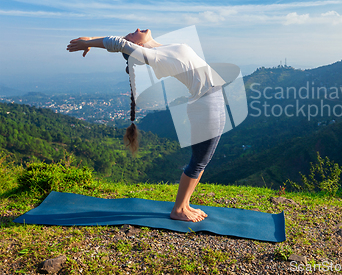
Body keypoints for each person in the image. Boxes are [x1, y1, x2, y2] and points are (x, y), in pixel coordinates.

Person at [66, 29, 226, 222]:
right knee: (199, 161)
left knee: (202, 160)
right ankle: (178, 209)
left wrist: (93, 41)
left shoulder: (161, 48)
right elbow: (120, 44)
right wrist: (89, 41)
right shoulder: (154, 56)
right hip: (206, 103)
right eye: (131, 35)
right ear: (137, 47)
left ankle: (185, 205)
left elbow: (123, 43)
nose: (136, 30)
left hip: (211, 100)